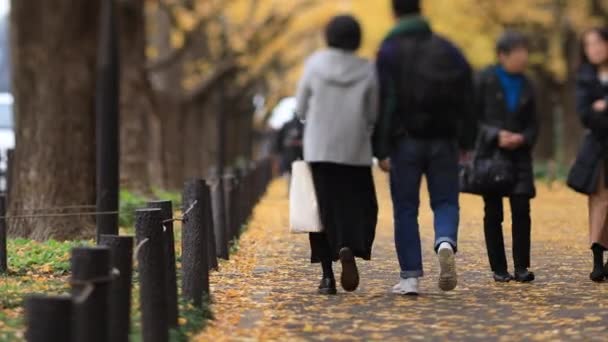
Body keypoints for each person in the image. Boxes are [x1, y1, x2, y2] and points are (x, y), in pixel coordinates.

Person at [374, 0, 475, 295]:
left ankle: (410, 278)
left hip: (404, 142)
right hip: (444, 140)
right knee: (445, 201)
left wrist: (381, 148)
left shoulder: (389, 51)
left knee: (405, 207)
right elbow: (468, 96)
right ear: (422, 11)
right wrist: (467, 139)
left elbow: (385, 102)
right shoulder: (448, 50)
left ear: (394, 13)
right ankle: (445, 241)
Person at [296, 15, 379, 294]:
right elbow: (372, 113)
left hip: (319, 148)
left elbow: (301, 107)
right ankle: (349, 244)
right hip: (355, 149)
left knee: (321, 210)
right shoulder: (367, 70)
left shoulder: (314, 65)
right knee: (357, 204)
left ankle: (327, 277)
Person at [474, 31, 538, 283]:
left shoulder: (529, 83)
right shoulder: (484, 80)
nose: (524, 57)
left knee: (522, 208)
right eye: (519, 52)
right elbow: (471, 118)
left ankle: (522, 266)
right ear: (503, 55)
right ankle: (498, 268)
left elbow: (535, 122)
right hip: (492, 155)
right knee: (494, 211)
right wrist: (495, 135)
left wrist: (523, 137)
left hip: (520, 155)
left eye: (525, 52)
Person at [568, 27, 608, 282]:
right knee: (599, 200)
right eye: (588, 45)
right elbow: (585, 114)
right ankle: (597, 257)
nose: (594, 49)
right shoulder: (584, 76)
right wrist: (598, 111)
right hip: (598, 148)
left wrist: (603, 106)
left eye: (598, 43)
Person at [273, 113, 304, 190]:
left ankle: (290, 189)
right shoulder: (302, 126)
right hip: (299, 155)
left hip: (288, 154)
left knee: (289, 173)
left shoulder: (286, 125)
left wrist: (279, 152)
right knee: (298, 173)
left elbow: (279, 141)